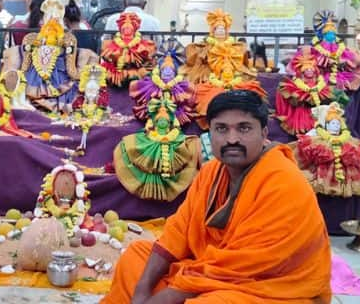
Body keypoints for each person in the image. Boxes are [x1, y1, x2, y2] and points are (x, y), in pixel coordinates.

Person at [102, 89, 331, 303]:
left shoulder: (283, 182)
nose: (232, 139)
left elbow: (244, 264)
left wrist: (161, 298)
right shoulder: (212, 171)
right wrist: (142, 292)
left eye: (244, 128)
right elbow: (177, 232)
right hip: (212, 271)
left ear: (263, 133)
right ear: (209, 134)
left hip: (273, 285)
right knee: (136, 257)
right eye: (221, 129)